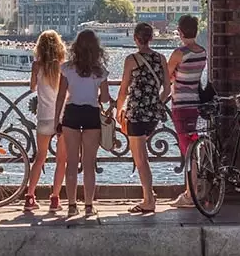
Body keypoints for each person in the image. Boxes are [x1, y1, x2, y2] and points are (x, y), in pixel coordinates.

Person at [53, 30, 113, 217]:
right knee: (89, 163)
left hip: (72, 114)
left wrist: (57, 119)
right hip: (91, 114)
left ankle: (71, 205)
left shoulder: (67, 68)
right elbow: (104, 99)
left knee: (71, 163)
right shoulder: (100, 72)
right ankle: (88, 205)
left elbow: (62, 95)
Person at [116, 22, 170, 214]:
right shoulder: (161, 58)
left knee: (140, 159)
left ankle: (148, 199)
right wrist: (156, 102)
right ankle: (149, 195)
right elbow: (167, 89)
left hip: (136, 114)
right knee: (143, 156)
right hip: (153, 115)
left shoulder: (132, 60)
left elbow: (123, 89)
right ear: (151, 38)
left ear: (135, 39)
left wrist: (117, 109)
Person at [24, 30, 68, 212]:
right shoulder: (63, 67)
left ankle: (30, 196)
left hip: (43, 116)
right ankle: (55, 199)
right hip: (62, 116)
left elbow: (32, 87)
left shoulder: (36, 66)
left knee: (40, 157)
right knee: (61, 160)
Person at [167, 15, 207, 208]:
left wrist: (175, 76)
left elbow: (166, 76)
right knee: (194, 145)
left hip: (181, 105)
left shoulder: (179, 53)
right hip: (196, 104)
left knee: (187, 150)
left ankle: (190, 195)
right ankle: (194, 188)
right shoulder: (202, 52)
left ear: (180, 32)